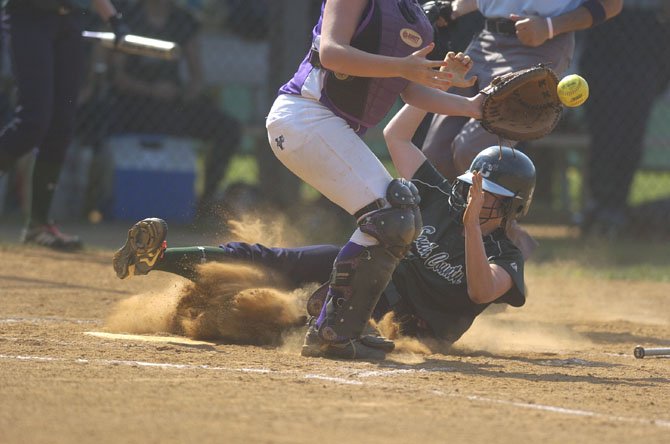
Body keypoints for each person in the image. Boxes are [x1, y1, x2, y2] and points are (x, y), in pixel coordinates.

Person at [112, 55, 537, 360]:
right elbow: (397, 137)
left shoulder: (506, 257)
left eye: (492, 199)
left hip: (407, 322)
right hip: (374, 276)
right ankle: (158, 257)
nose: (475, 200)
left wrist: (469, 230)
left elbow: (481, 291)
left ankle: (317, 315)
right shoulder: (445, 198)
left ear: (514, 209)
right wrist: (439, 86)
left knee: (294, 314)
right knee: (276, 260)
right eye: (474, 189)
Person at [264, 0, 490, 360]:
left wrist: (469, 104)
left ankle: (339, 325)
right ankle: (333, 329)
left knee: (399, 217)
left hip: (324, 126)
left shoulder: (417, 19)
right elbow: (333, 53)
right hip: (304, 115)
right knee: (391, 214)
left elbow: (408, 89)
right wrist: (404, 66)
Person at [421, 0, 623, 181]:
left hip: (541, 45)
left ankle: (498, 222)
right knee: (436, 154)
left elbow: (611, 4)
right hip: (485, 41)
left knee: (473, 153)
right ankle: (460, 222)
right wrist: (452, 9)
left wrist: (550, 27)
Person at [0, 0, 128, 250]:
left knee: (61, 127)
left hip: (67, 22)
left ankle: (38, 225)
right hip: (28, 18)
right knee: (32, 122)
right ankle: (38, 224)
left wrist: (114, 20)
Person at [105, 0, 241, 214]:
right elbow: (117, 76)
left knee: (229, 128)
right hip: (132, 104)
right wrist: (150, 89)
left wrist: (185, 94)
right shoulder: (128, 17)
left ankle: (206, 203)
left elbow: (197, 77)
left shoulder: (183, 21)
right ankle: (100, 203)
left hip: (173, 104)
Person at [579, 0, 670, 238]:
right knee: (603, 136)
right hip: (606, 30)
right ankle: (599, 206)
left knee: (631, 135)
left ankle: (617, 206)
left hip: (648, 33)